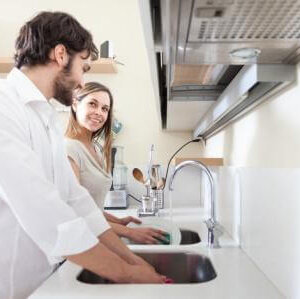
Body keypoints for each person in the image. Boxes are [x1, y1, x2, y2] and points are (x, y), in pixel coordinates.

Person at [0, 11, 165, 299]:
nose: (81, 80)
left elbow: (76, 201)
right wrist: (124, 272)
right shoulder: (5, 106)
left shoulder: (46, 117)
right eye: (84, 67)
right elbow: (42, 208)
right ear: (61, 54)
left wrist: (133, 261)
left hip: (44, 285)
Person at [64, 82, 168, 244]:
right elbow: (74, 212)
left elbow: (91, 208)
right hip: (79, 243)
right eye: (93, 104)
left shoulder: (95, 149)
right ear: (75, 104)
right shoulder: (68, 149)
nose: (99, 112)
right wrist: (129, 232)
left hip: (95, 238)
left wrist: (116, 221)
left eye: (105, 109)